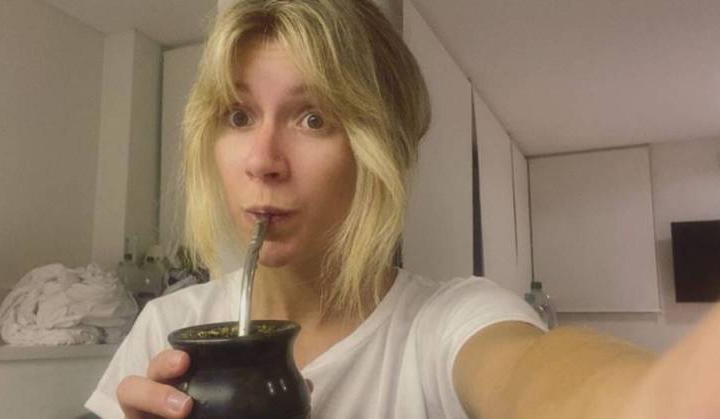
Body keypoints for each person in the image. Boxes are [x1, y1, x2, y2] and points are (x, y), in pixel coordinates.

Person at [85, 1, 720, 418]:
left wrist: (654, 398)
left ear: (376, 150)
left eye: (313, 118)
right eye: (239, 115)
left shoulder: (446, 323)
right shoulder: (167, 324)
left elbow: (527, 369)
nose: (263, 160)